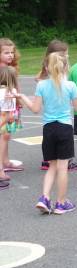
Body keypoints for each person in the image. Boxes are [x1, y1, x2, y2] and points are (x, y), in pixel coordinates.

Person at [17, 52, 77, 214]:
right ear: (66, 67)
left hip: (49, 128)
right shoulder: (70, 86)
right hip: (64, 127)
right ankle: (61, 202)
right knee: (62, 167)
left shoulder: (41, 85)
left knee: (52, 166)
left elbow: (35, 109)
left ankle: (45, 197)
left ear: (46, 67)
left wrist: (23, 97)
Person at [36, 40, 77, 171]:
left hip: (55, 111)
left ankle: (52, 160)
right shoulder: (49, 70)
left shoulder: (61, 70)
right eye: (64, 55)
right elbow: (39, 78)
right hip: (58, 111)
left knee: (52, 134)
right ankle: (55, 160)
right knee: (59, 136)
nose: (66, 58)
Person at [0, 38, 22, 181]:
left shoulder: (11, 68)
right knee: (3, 136)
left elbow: (14, 87)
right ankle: (1, 167)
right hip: (4, 107)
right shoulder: (3, 70)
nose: (10, 55)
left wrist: (18, 101)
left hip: (10, 105)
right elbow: (5, 91)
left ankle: (5, 161)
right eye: (6, 52)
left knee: (7, 136)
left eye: (12, 52)